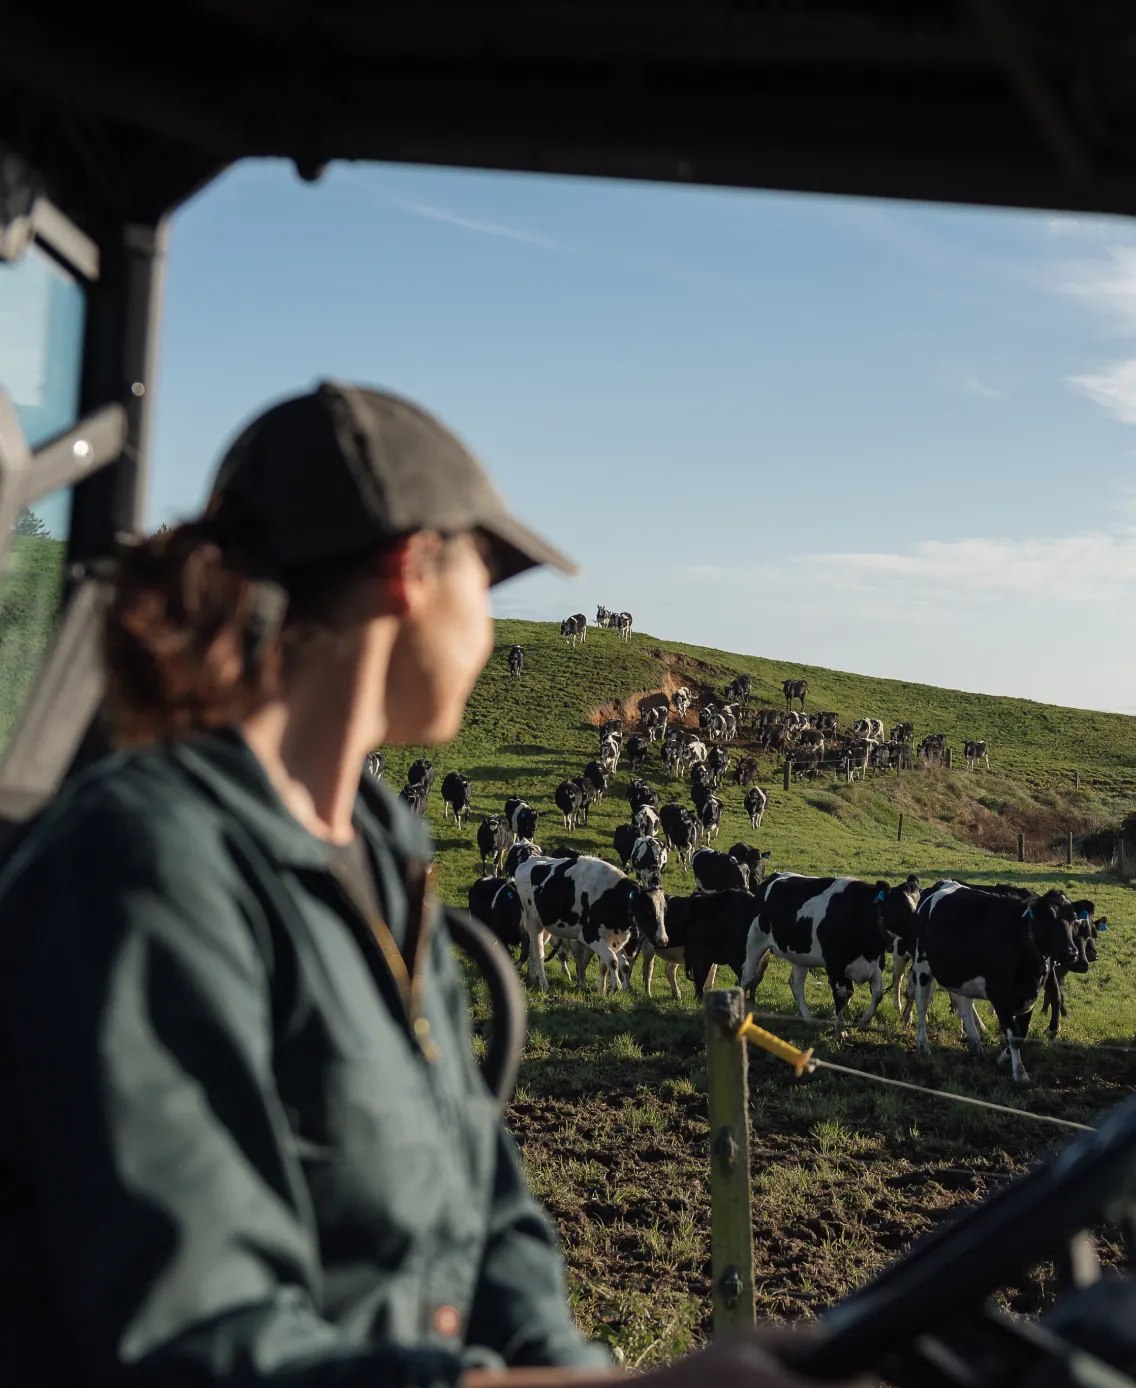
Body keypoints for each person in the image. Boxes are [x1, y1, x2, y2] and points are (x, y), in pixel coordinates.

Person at [0, 382, 843, 1387]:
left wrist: (574, 1370)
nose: (487, 631)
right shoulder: (143, 868)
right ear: (407, 573)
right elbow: (200, 1345)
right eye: (482, 587)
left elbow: (484, 1204)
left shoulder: (382, 846)